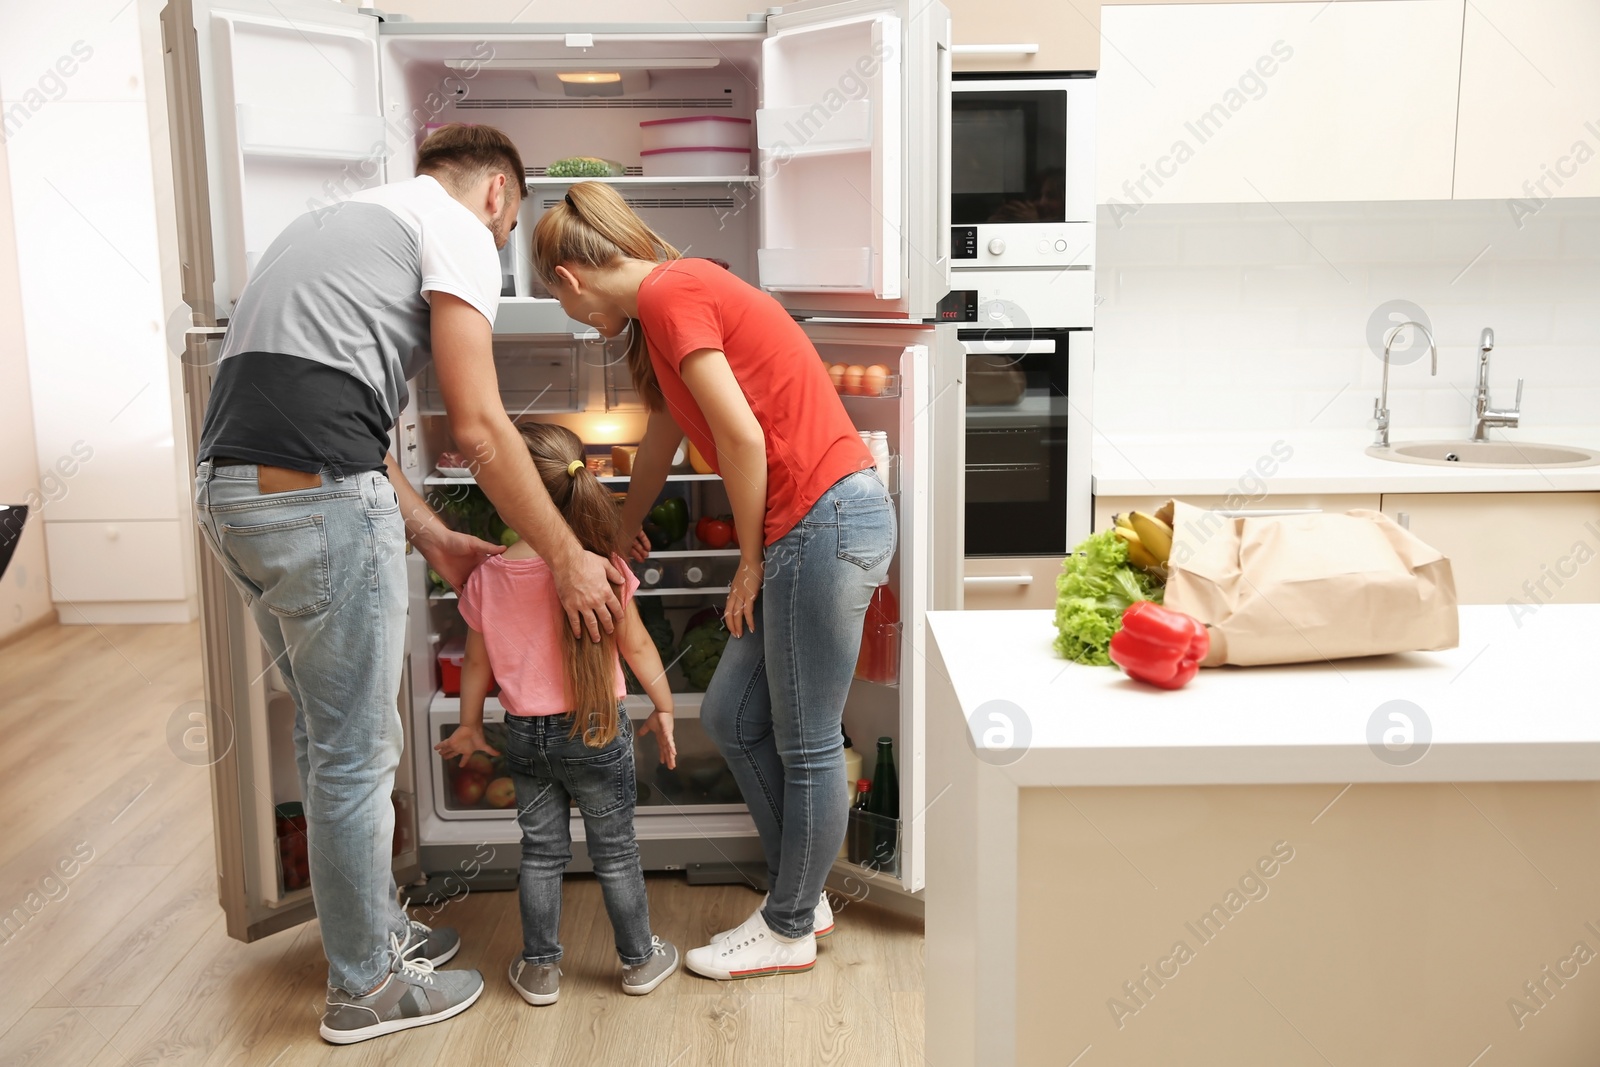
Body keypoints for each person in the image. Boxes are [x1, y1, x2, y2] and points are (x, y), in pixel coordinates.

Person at [192, 124, 627, 1044]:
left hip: (234, 495)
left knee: (324, 735)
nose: (499, 255)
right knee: (355, 751)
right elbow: (476, 424)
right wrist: (565, 556)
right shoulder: (460, 227)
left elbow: (355, 423)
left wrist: (434, 538)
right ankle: (365, 987)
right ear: (501, 198)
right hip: (315, 499)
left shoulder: (342, 221)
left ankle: (373, 933)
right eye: (508, 242)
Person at [529, 182, 897, 981]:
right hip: (812, 522)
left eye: (564, 304)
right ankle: (804, 898)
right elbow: (667, 431)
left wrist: (753, 560)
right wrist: (622, 533)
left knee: (806, 742)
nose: (574, 319)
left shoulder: (674, 291)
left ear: (567, 276)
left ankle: (789, 923)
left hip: (820, 522)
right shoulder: (665, 308)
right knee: (733, 715)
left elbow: (739, 437)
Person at [435, 422, 681, 1004]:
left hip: (525, 735)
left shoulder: (489, 575)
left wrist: (470, 724)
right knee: (615, 850)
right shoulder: (601, 567)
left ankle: (540, 969)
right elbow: (639, 647)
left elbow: (476, 663)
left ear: (509, 489)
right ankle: (639, 961)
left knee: (541, 854)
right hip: (597, 732)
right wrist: (664, 707)